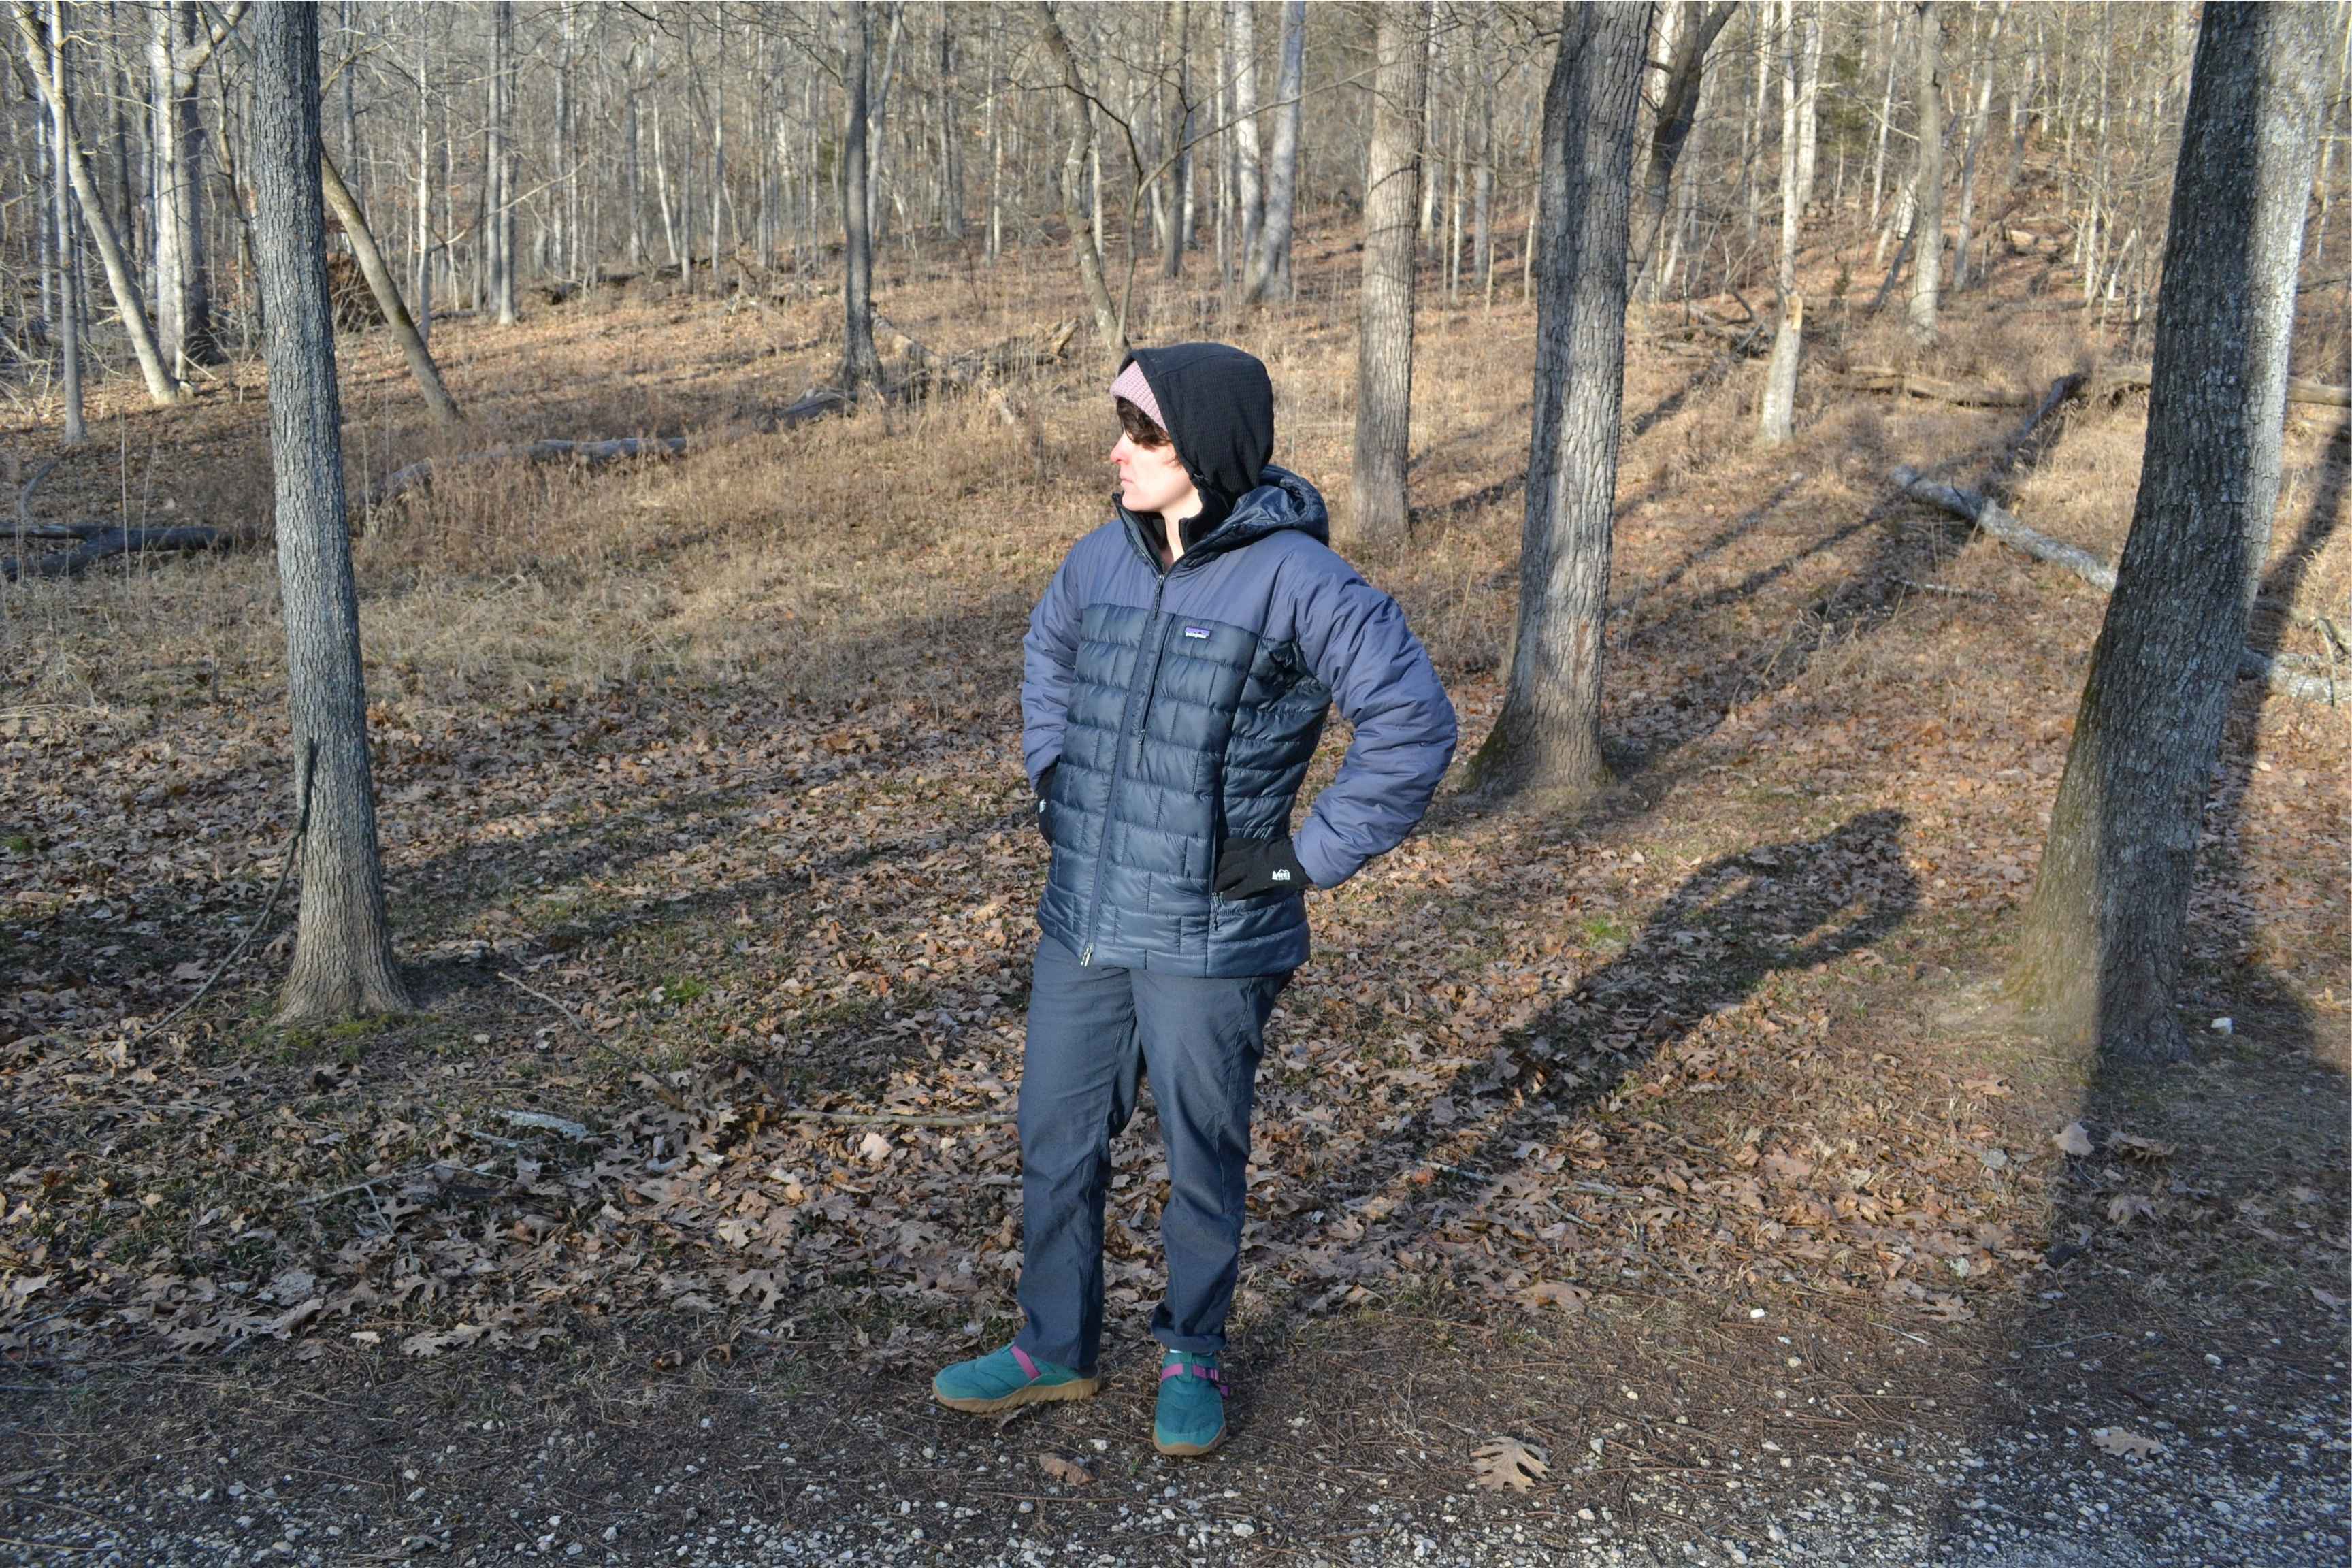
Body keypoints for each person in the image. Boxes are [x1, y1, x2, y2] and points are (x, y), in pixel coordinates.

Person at [931, 342, 1458, 1457]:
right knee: (1055, 1138)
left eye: (1145, 434)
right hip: (1084, 919)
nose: (1117, 453)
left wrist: (1304, 860)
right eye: (1121, 427)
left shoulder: (1298, 580)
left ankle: (1193, 1353)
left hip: (1210, 934)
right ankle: (1054, 1348)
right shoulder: (1099, 560)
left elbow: (1413, 723)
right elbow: (1048, 652)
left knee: (1202, 1155)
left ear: (1206, 450)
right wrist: (1050, 775)